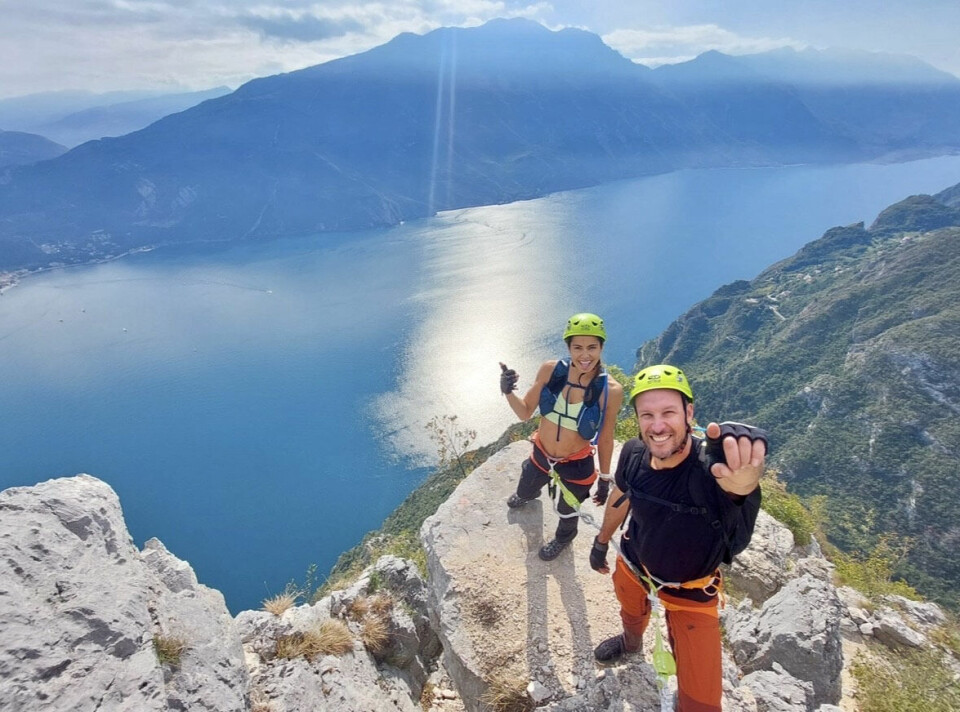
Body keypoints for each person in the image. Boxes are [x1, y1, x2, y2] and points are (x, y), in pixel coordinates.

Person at [588, 364, 767, 712]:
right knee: (630, 610)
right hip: (634, 564)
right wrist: (601, 541)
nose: (657, 426)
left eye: (668, 413)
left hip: (691, 593)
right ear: (638, 419)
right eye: (647, 415)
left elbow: (737, 487)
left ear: (689, 413)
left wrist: (744, 480)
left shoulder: (711, 472)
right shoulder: (633, 453)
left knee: (701, 702)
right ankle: (631, 642)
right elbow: (621, 495)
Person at [499, 313, 624, 561]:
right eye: (578, 347)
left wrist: (604, 478)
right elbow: (525, 412)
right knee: (526, 487)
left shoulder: (610, 390)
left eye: (592, 347)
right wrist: (508, 391)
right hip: (541, 454)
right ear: (568, 348)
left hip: (576, 464)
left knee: (568, 510)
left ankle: (564, 539)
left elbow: (605, 437)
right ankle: (528, 494)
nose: (585, 355)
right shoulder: (551, 371)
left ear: (601, 348)